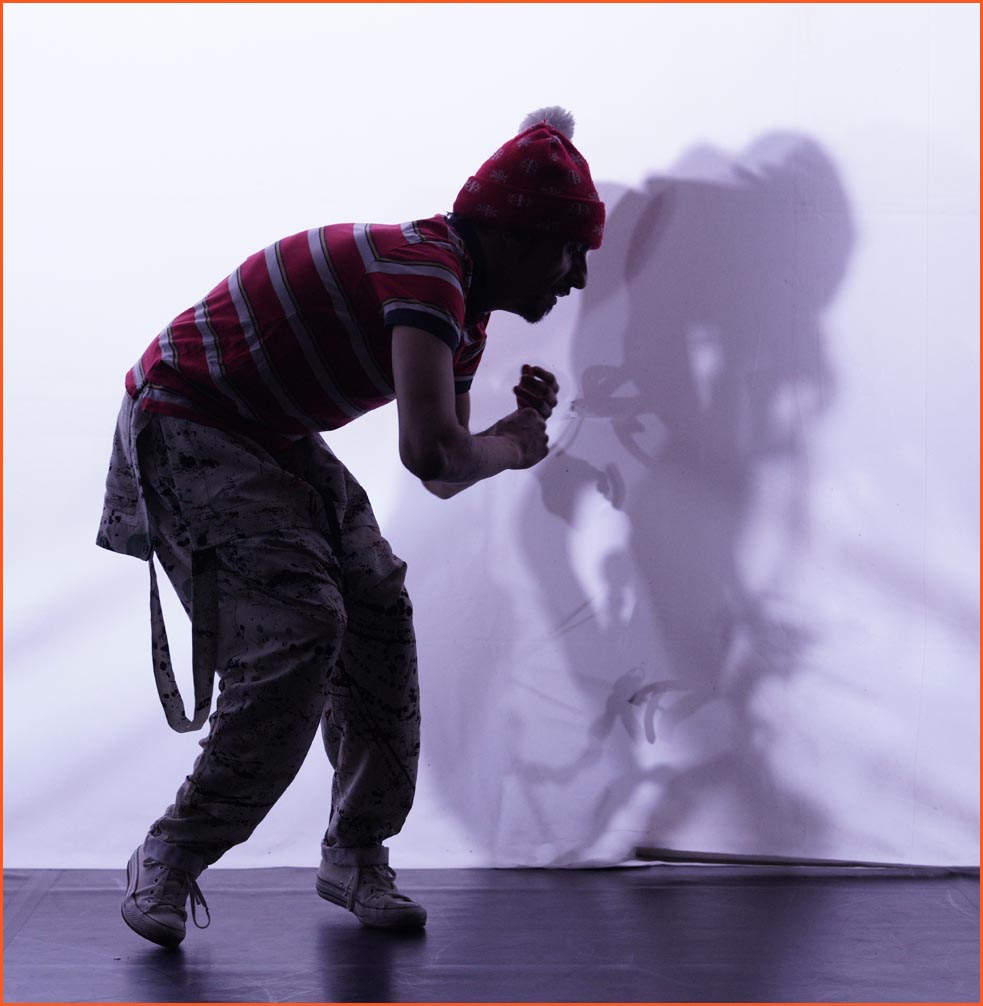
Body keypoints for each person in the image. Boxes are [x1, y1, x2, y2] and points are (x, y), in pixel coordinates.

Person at [97, 106, 605, 947]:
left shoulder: (461, 313)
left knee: (376, 604)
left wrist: (506, 435)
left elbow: (443, 472)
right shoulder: (427, 272)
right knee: (300, 626)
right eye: (568, 250)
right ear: (511, 233)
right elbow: (433, 453)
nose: (577, 277)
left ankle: (356, 851)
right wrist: (513, 447)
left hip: (269, 432)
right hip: (186, 418)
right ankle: (171, 851)